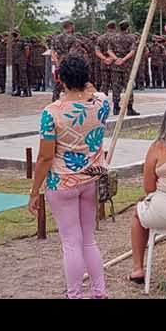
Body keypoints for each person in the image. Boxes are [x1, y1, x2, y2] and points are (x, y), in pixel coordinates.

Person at [31, 52, 114, 299]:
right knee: (88, 240)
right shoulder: (102, 103)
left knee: (70, 242)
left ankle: (74, 294)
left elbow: (45, 157)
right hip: (90, 178)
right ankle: (99, 292)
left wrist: (34, 191)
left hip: (62, 181)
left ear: (60, 79)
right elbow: (93, 91)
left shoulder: (52, 113)